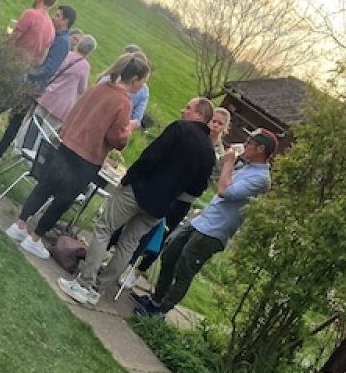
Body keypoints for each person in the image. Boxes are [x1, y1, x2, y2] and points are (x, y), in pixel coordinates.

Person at [57, 97, 217, 305]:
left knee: (104, 229)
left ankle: (83, 283)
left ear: (200, 115)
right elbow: (198, 188)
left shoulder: (180, 129)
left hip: (140, 190)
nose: (182, 110)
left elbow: (151, 156)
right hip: (162, 205)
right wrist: (174, 191)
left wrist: (128, 178)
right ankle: (98, 288)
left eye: (188, 107)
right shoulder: (209, 152)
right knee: (129, 245)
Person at [5, 54, 149, 259]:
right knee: (63, 199)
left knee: (45, 187)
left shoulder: (99, 87)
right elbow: (115, 138)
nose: (142, 86)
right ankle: (35, 238)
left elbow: (76, 111)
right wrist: (126, 132)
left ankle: (19, 225)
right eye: (143, 81)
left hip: (67, 145)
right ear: (134, 78)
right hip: (87, 158)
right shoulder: (123, 102)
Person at [131, 127, 277, 317]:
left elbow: (225, 192)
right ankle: (156, 298)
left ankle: (160, 310)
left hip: (215, 231)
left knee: (185, 266)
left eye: (250, 142)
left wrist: (229, 163)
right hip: (204, 220)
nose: (245, 144)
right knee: (170, 252)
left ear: (260, 149)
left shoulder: (261, 179)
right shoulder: (247, 166)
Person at [118, 107, 231, 290]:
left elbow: (210, 181)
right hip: (164, 189)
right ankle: (121, 261)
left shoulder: (218, 153)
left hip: (182, 198)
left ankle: (136, 272)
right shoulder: (191, 134)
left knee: (160, 236)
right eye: (214, 121)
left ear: (225, 128)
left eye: (220, 124)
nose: (215, 126)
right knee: (138, 226)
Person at [0, 3, 76, 159]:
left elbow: (49, 69)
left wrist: (27, 71)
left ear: (66, 21)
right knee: (6, 112)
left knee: (10, 115)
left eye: (58, 16)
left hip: (31, 84)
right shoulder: (56, 35)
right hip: (28, 80)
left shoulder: (62, 42)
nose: (54, 17)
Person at [27, 33, 97, 140]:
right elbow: (82, 89)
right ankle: (32, 153)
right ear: (90, 51)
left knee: (34, 122)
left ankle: (19, 148)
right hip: (64, 102)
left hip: (50, 93)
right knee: (46, 131)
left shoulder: (66, 54)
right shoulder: (85, 66)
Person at [97, 44, 150, 128]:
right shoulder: (142, 91)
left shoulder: (107, 79)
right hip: (116, 127)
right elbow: (136, 118)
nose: (141, 86)